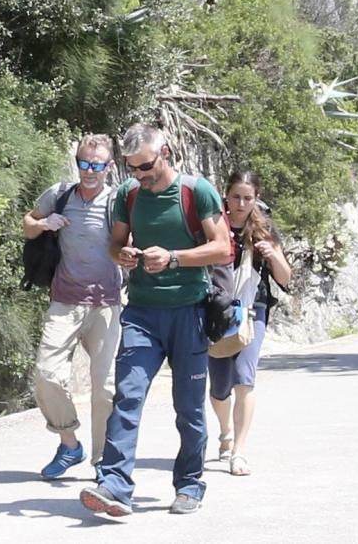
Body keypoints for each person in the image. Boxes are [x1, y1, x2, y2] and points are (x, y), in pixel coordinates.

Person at [79, 124, 232, 519]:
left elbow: (222, 247)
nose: (140, 175)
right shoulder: (128, 195)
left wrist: (176, 258)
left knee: (189, 409)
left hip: (189, 311)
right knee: (127, 396)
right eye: (132, 168)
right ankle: (113, 485)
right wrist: (123, 255)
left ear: (165, 153)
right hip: (142, 312)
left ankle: (189, 484)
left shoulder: (196, 192)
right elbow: (114, 244)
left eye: (146, 165)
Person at [22, 134, 125, 480]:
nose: (90, 171)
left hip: (107, 304)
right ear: (77, 163)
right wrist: (43, 224)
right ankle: (69, 444)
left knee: (105, 388)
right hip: (65, 300)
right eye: (85, 164)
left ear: (109, 167)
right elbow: (28, 224)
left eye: (98, 165)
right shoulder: (59, 194)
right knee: (46, 374)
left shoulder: (120, 201)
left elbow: (135, 239)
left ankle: (102, 464)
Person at [209, 169, 292, 477]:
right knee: (219, 388)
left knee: (245, 379)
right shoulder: (212, 226)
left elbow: (285, 278)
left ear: (256, 199)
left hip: (253, 309)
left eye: (248, 198)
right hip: (216, 311)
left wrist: (272, 255)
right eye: (236, 197)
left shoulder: (264, 230)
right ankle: (225, 431)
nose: (241, 204)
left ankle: (239, 452)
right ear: (226, 196)